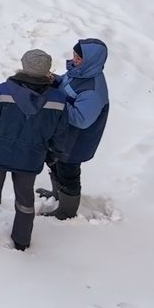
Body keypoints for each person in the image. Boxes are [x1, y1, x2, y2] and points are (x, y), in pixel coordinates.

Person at [0, 48, 71, 251]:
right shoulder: (58, 100)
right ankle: (21, 239)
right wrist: (54, 154)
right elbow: (60, 133)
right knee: (25, 199)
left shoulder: (0, 93)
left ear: (24, 65)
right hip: (30, 158)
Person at [40, 38, 110, 221]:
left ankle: (66, 211)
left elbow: (81, 120)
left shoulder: (93, 90)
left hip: (76, 142)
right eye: (74, 55)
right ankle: (57, 193)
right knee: (54, 163)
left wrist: (55, 102)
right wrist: (53, 80)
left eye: (78, 57)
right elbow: (65, 85)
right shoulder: (79, 72)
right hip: (63, 135)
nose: (74, 59)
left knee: (68, 173)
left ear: (91, 60)